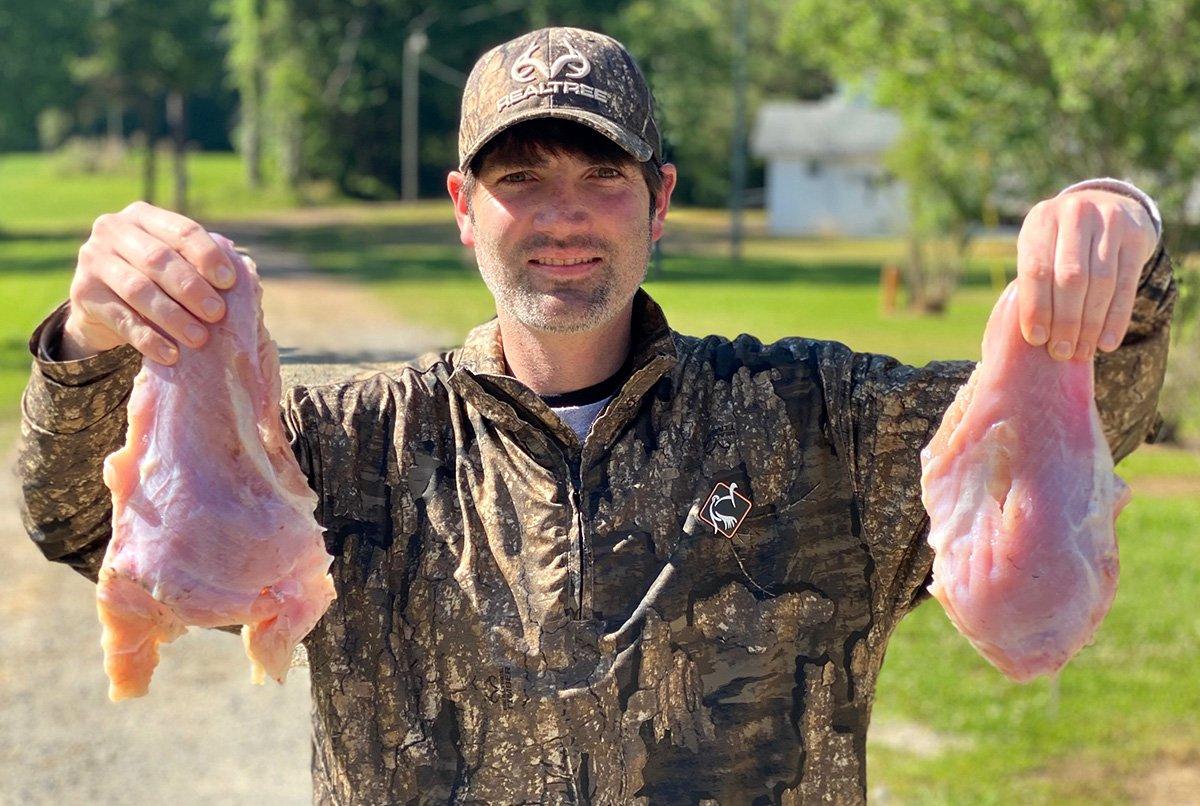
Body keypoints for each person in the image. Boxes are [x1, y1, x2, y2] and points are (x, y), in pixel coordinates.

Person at [17, 26, 1175, 805]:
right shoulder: (352, 453)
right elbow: (78, 519)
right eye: (523, 178)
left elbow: (1080, 437)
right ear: (465, 207)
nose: (564, 217)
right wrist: (90, 337)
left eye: (604, 175)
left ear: (659, 201)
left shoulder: (821, 426)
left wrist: (1114, 239)